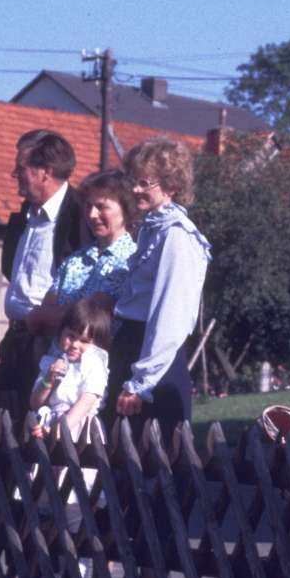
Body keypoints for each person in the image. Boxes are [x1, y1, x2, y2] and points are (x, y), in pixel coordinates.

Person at [106, 137, 209, 429]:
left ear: (171, 186)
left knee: (151, 452)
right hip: (131, 349)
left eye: (145, 183)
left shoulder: (177, 236)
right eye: (133, 181)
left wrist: (141, 382)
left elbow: (170, 317)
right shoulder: (152, 229)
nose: (135, 190)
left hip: (155, 364)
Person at [0, 130, 82, 417]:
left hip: (50, 346)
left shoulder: (79, 215)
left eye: (21, 168)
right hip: (15, 341)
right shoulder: (27, 215)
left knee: (36, 431)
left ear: (45, 172)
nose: (14, 175)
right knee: (0, 422)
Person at [42, 170, 139, 313]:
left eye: (101, 207)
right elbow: (44, 310)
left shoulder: (133, 262)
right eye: (88, 206)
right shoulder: (75, 260)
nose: (92, 214)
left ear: (126, 209)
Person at [29, 298, 112, 444]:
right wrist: (49, 378)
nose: (75, 344)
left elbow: (85, 404)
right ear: (61, 332)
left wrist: (58, 431)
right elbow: (35, 404)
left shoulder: (94, 367)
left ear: (97, 345)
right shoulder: (54, 362)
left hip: (77, 428)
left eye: (84, 341)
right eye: (71, 336)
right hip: (49, 426)